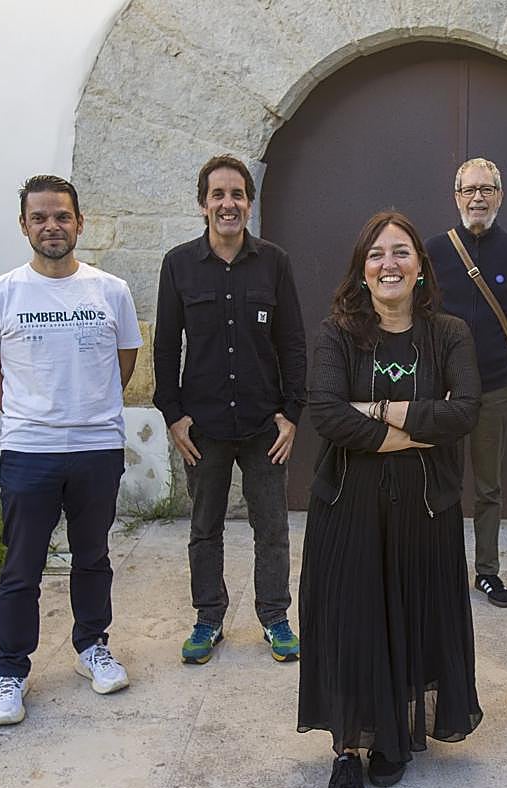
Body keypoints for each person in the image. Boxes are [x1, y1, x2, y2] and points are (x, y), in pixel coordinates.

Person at [297, 211, 484, 788]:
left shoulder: (449, 333)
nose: (389, 264)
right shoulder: (336, 334)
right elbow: (325, 413)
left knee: (410, 614)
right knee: (354, 621)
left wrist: (377, 410)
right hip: (348, 506)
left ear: (421, 268)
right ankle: (348, 750)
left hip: (425, 509)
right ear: (362, 269)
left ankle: (393, 737)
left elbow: (466, 412)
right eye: (376, 254)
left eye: (401, 252)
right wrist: (416, 421)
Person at [0, 174, 142, 725]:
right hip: (28, 451)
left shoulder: (110, 290)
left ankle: (92, 647)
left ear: (79, 222)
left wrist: (86, 409)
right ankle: (9, 672)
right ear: (24, 225)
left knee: (93, 557)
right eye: (40, 217)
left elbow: (125, 361)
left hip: (96, 448)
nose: (52, 226)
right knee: (22, 566)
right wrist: (30, 412)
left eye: (62, 216)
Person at [153, 155, 307, 665]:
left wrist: (291, 413)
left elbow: (293, 344)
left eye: (237, 194)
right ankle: (208, 618)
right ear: (203, 204)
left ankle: (275, 618)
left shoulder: (274, 262)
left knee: (273, 527)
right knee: (204, 528)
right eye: (218, 195)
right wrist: (173, 415)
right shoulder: (178, 264)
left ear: (249, 203)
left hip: (266, 426)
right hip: (204, 427)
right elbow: (165, 348)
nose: (228, 204)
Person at [426, 158, 507, 607]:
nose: (477, 198)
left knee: (488, 486)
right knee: (441, 483)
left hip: (493, 387)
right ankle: (441, 568)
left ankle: (486, 571)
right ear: (456, 197)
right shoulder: (433, 250)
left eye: (486, 190)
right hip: (445, 392)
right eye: (469, 190)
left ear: (500, 196)